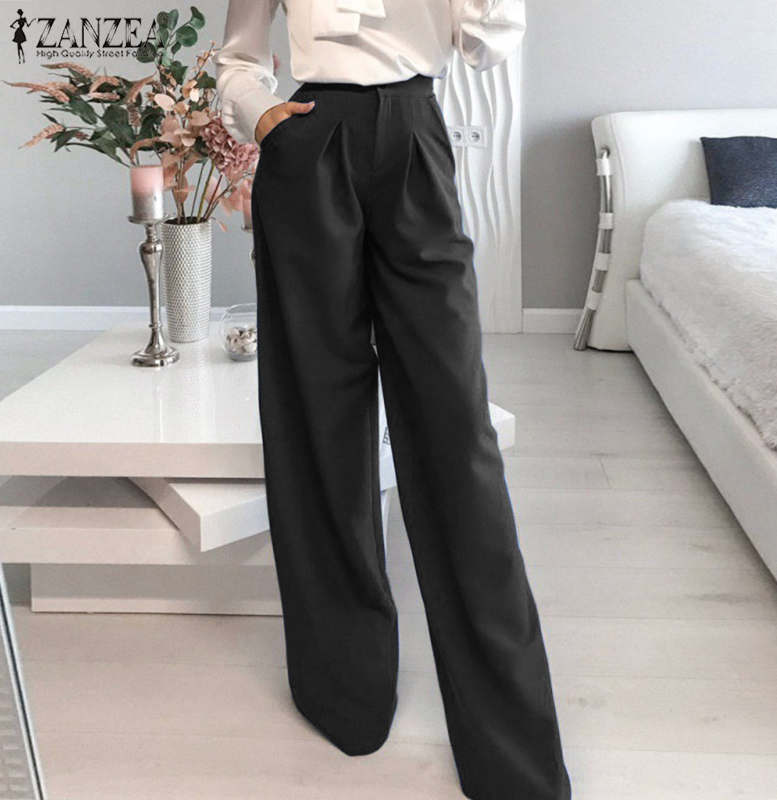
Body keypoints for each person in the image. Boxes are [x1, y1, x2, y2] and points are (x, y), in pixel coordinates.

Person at [213, 2, 572, 798]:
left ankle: (512, 753)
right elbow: (237, 55)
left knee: (456, 434)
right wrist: (261, 114)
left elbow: (487, 44)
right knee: (318, 418)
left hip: (414, 131)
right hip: (309, 141)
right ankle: (344, 690)